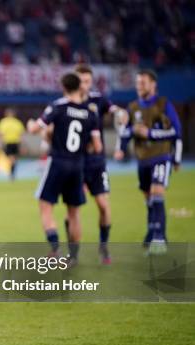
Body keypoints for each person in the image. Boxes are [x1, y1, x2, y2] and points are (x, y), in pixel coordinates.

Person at [27, 73, 102, 265]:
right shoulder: (90, 113)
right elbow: (97, 147)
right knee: (74, 213)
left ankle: (55, 249)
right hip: (78, 165)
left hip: (58, 161)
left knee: (45, 206)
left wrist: (33, 127)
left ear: (63, 87)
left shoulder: (58, 107)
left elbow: (36, 129)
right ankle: (74, 257)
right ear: (79, 87)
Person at [115, 69, 182, 254]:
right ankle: (153, 232)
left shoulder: (163, 104)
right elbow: (126, 132)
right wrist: (121, 147)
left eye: (143, 82)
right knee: (149, 200)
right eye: (137, 83)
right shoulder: (133, 107)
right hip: (142, 160)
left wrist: (150, 133)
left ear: (153, 84)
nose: (139, 86)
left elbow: (176, 131)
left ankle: (159, 240)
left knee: (157, 193)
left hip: (161, 156)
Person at [65, 64, 125, 264]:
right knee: (73, 210)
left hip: (97, 163)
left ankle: (104, 246)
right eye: (81, 81)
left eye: (87, 81)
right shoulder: (67, 103)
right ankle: (73, 253)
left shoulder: (98, 100)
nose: (84, 85)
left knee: (103, 205)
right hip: (75, 163)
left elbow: (114, 109)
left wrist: (120, 114)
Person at [0, 107, 24, 181]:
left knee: (10, 158)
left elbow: (0, 134)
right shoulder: (17, 122)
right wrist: (21, 145)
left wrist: (1, 143)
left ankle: (11, 173)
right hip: (15, 143)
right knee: (13, 159)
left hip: (8, 143)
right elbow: (21, 135)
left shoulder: (3, 122)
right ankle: (11, 173)